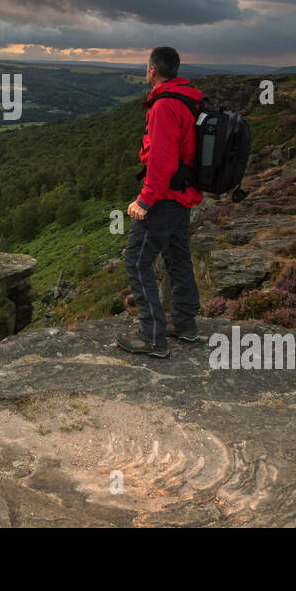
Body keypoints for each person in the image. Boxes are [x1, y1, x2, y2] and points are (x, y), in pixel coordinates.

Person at [117, 46, 204, 358]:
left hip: (165, 198)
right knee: (177, 257)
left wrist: (145, 200)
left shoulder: (165, 105)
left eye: (147, 67)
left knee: (136, 260)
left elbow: (161, 159)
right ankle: (185, 325)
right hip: (182, 196)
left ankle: (153, 338)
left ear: (152, 70)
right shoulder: (189, 98)